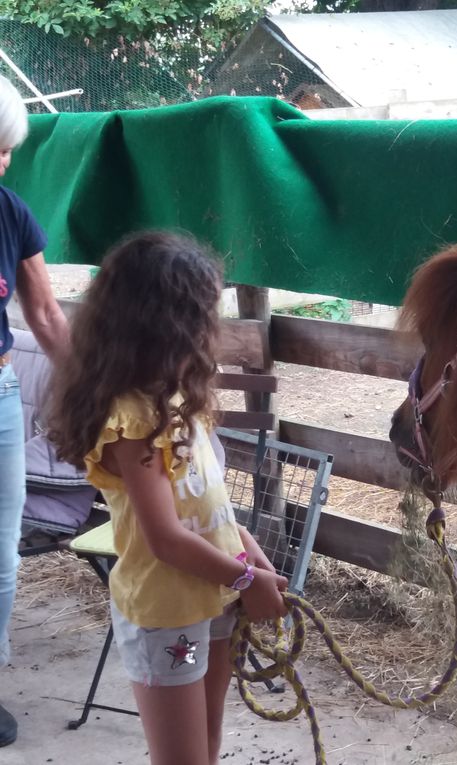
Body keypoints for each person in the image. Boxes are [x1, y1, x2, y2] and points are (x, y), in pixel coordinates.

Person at [48, 231, 288, 765]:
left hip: (214, 593)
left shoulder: (178, 399)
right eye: (203, 316)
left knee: (207, 745)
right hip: (167, 611)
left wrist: (248, 550)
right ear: (167, 325)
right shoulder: (132, 419)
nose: (212, 330)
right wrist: (246, 578)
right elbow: (164, 537)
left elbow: (206, 506)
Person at [0, 75, 69, 747]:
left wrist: (95, 377)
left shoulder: (11, 213)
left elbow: (45, 312)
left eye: (6, 149)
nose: (4, 160)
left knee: (2, 555)